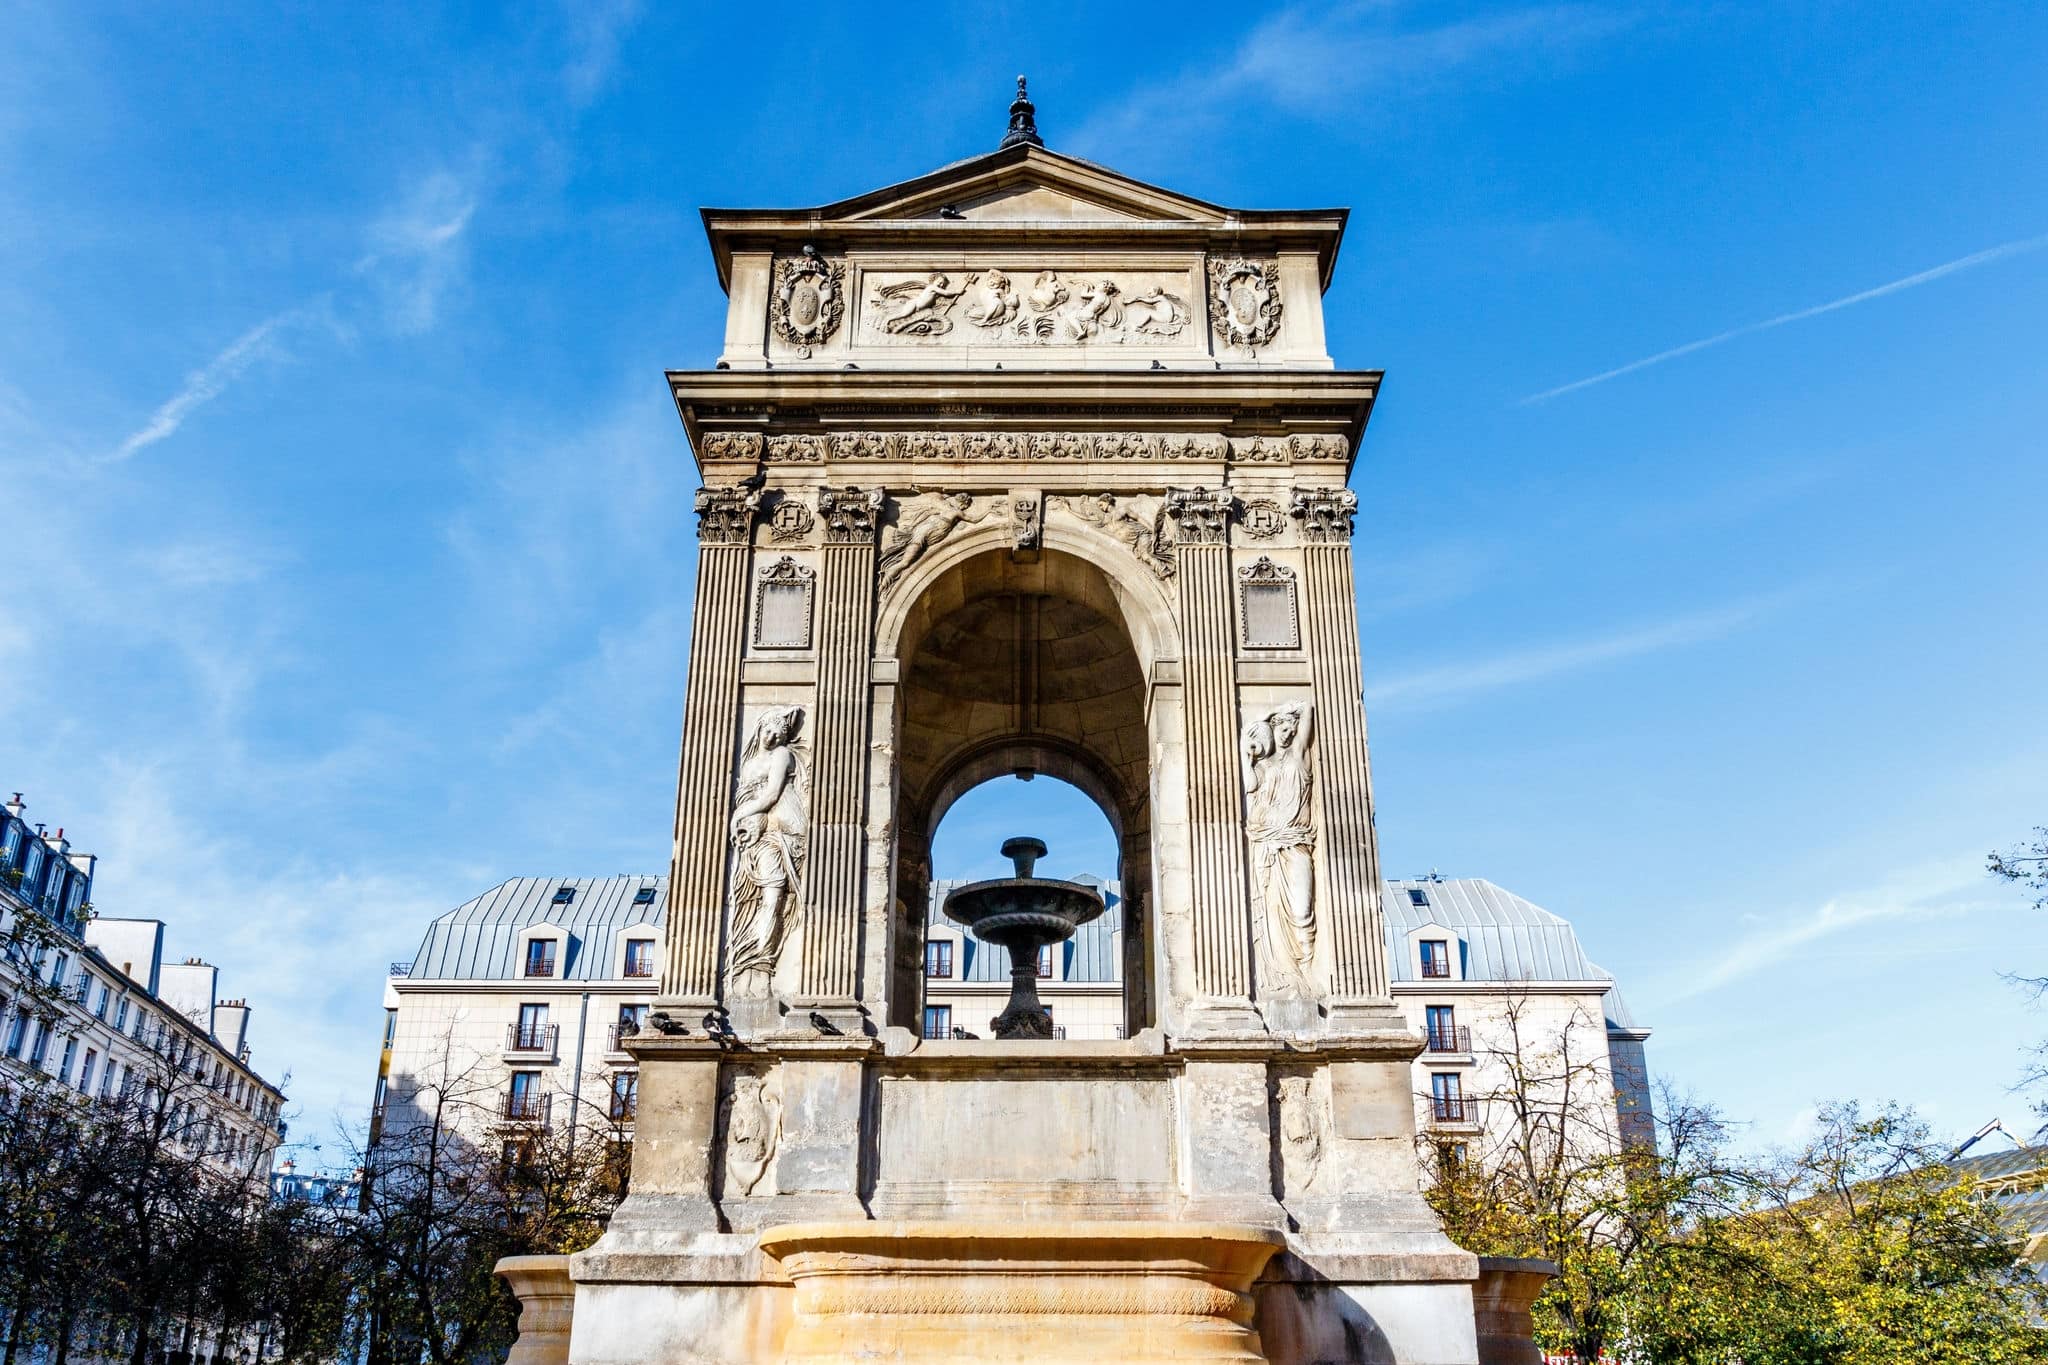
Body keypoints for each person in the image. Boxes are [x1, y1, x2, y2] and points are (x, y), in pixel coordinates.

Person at [728, 706, 806, 993]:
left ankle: (762, 965)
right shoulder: (748, 763)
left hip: (780, 832)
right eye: (769, 730)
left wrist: (738, 814)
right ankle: (746, 967)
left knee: (773, 898)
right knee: (752, 901)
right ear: (759, 726)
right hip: (754, 835)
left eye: (779, 733)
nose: (772, 737)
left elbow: (772, 795)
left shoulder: (782, 755)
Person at [1243, 702, 1316, 993]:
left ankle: (1309, 973)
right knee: (1270, 910)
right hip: (1267, 846)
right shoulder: (1261, 765)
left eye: (1291, 729)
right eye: (1282, 727)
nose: (1287, 733)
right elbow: (1248, 786)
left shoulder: (1298, 755)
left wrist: (1277, 710)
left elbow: (1308, 708)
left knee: (1301, 910)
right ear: (1272, 730)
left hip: (1296, 843)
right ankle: (1283, 974)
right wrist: (1244, 753)